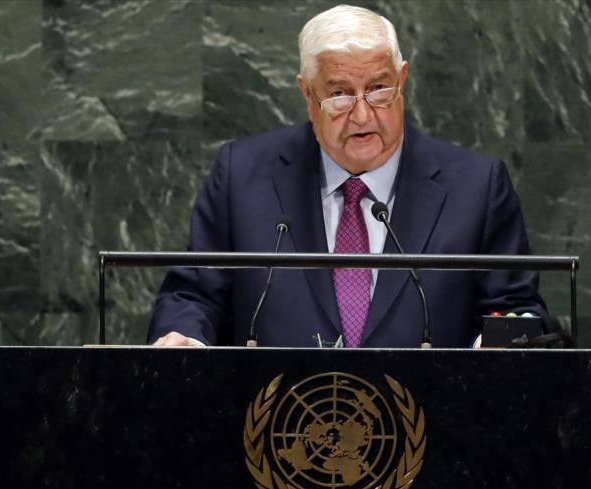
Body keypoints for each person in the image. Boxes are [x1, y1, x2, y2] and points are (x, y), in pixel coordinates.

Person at [148, 4, 547, 348]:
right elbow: (194, 295)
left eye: (379, 88)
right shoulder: (242, 176)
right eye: (339, 93)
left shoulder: (476, 187)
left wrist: (497, 345)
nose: (362, 114)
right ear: (307, 95)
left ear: (402, 80)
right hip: (276, 409)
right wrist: (184, 337)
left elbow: (516, 308)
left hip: (431, 411)